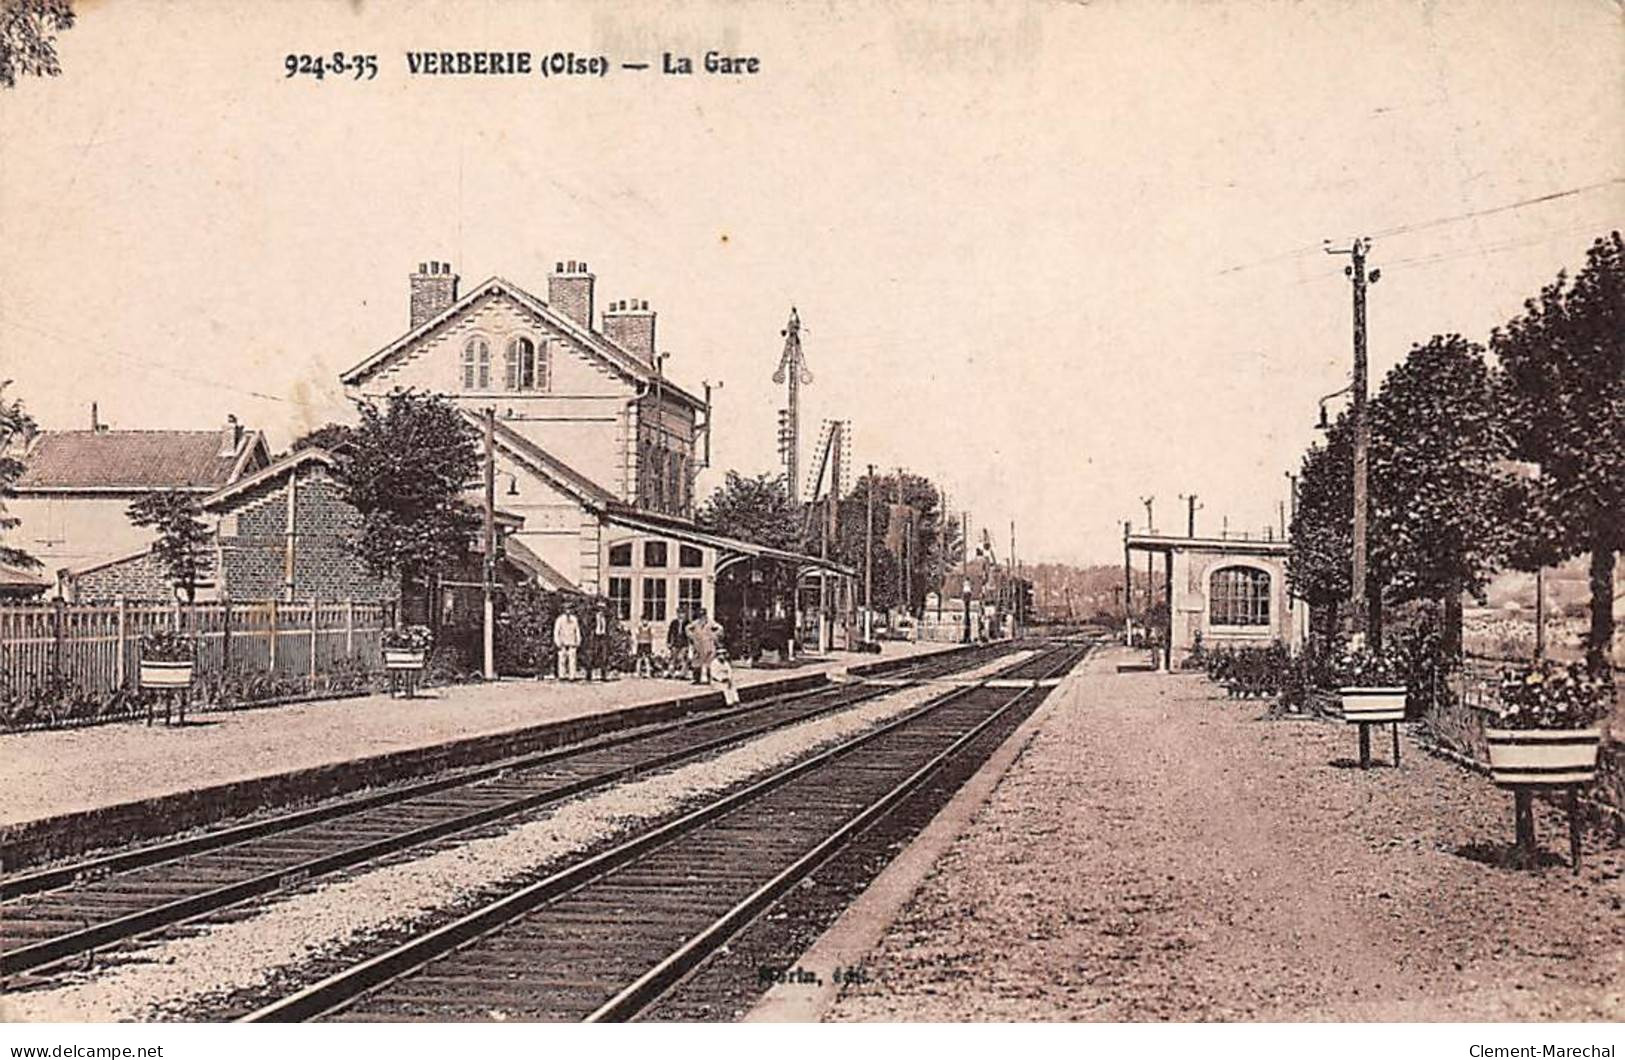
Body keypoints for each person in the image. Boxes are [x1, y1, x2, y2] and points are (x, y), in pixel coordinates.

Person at [686, 607, 721, 685]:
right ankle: (696, 679)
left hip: (708, 645)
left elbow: (720, 628)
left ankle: (708, 679)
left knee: (708, 663)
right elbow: (687, 628)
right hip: (698, 644)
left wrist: (714, 635)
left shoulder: (711, 623)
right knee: (696, 662)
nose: (702, 618)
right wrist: (691, 636)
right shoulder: (695, 623)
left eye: (703, 616)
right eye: (700, 616)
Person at [584, 600, 611, 682]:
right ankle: (589, 675)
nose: (601, 610)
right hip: (595, 636)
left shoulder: (606, 617)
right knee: (592, 655)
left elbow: (608, 627)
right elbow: (588, 626)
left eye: (603, 608)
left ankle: (603, 675)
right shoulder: (592, 617)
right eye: (599, 608)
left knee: (604, 656)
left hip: (603, 637)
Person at [553, 604, 582, 681]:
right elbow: (556, 631)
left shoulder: (574, 619)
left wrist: (578, 640)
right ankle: (562, 675)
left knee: (572, 660)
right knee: (562, 660)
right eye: (566, 609)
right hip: (562, 642)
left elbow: (577, 631)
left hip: (572, 642)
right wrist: (557, 642)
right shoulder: (559, 620)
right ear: (564, 610)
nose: (568, 611)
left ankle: (572, 676)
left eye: (570, 609)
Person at [666, 613, 689, 679]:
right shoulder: (674, 622)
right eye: (680, 614)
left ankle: (683, 674)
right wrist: (669, 642)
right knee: (673, 658)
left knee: (682, 658)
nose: (681, 615)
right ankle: (670, 673)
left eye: (683, 614)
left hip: (684, 643)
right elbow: (670, 632)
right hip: (675, 643)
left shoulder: (687, 623)